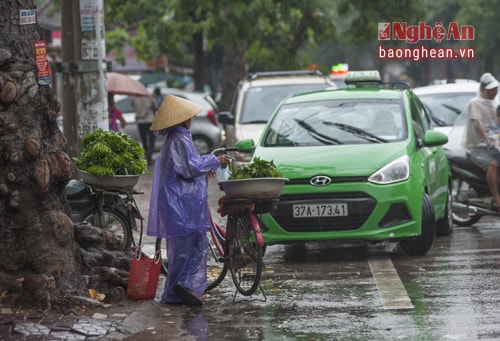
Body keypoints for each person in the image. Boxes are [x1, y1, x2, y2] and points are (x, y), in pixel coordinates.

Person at [146, 94, 230, 306]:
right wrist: (214, 160)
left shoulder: (177, 138)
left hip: (184, 203)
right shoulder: (179, 138)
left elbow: (188, 165)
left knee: (194, 246)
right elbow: (190, 167)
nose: (191, 119)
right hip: (182, 203)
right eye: (187, 116)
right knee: (186, 250)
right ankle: (179, 289)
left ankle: (183, 287)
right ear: (178, 119)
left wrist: (206, 166)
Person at [464, 72, 500, 209]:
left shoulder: (494, 104)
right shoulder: (475, 103)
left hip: (491, 147)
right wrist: (488, 139)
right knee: (494, 164)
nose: (494, 92)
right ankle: (497, 199)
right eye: (491, 89)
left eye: (495, 89)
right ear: (483, 90)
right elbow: (479, 124)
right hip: (476, 148)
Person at [131, 95, 157, 165]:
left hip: (140, 121)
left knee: (144, 140)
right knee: (152, 140)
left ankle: (147, 156)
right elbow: (155, 106)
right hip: (150, 120)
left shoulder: (134, 97)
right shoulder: (149, 96)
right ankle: (149, 157)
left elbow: (133, 107)